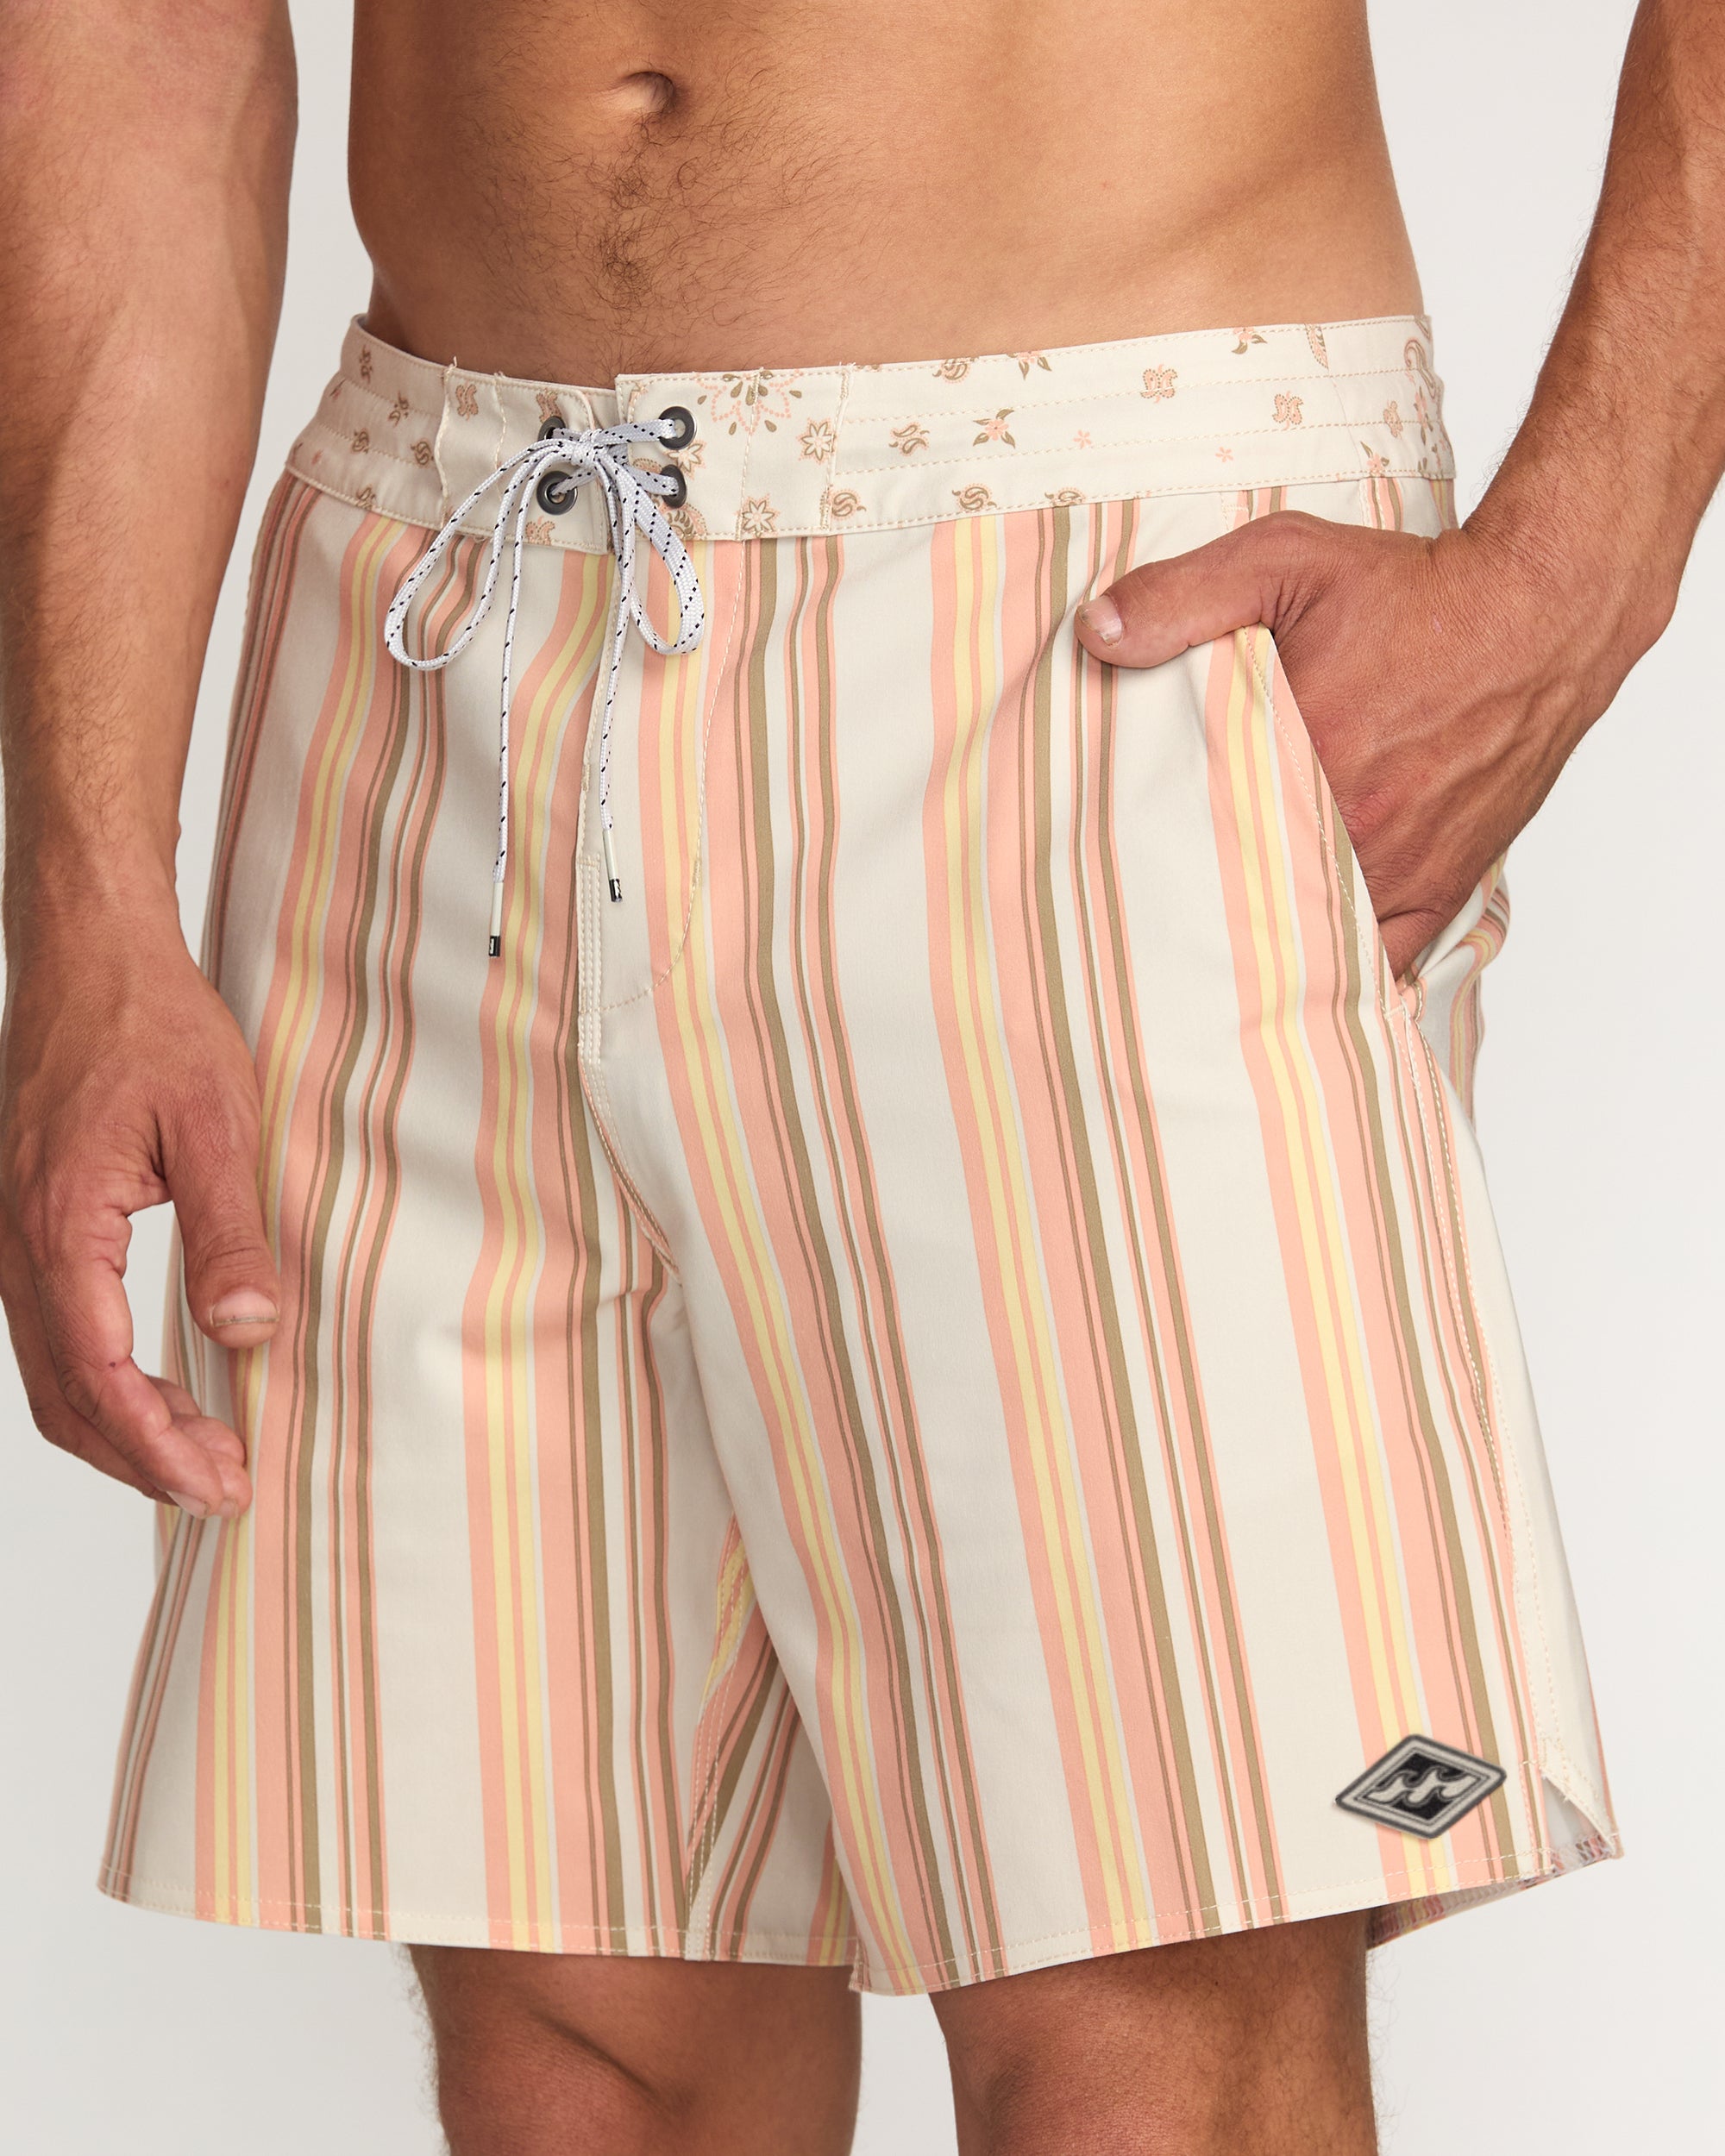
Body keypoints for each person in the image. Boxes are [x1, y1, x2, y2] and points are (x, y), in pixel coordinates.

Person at [0, 2, 1716, 2149]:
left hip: (1101, 578)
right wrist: (84, 891)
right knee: (582, 2046)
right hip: (444, 588)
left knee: (1144, 2030)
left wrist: (1572, 569)